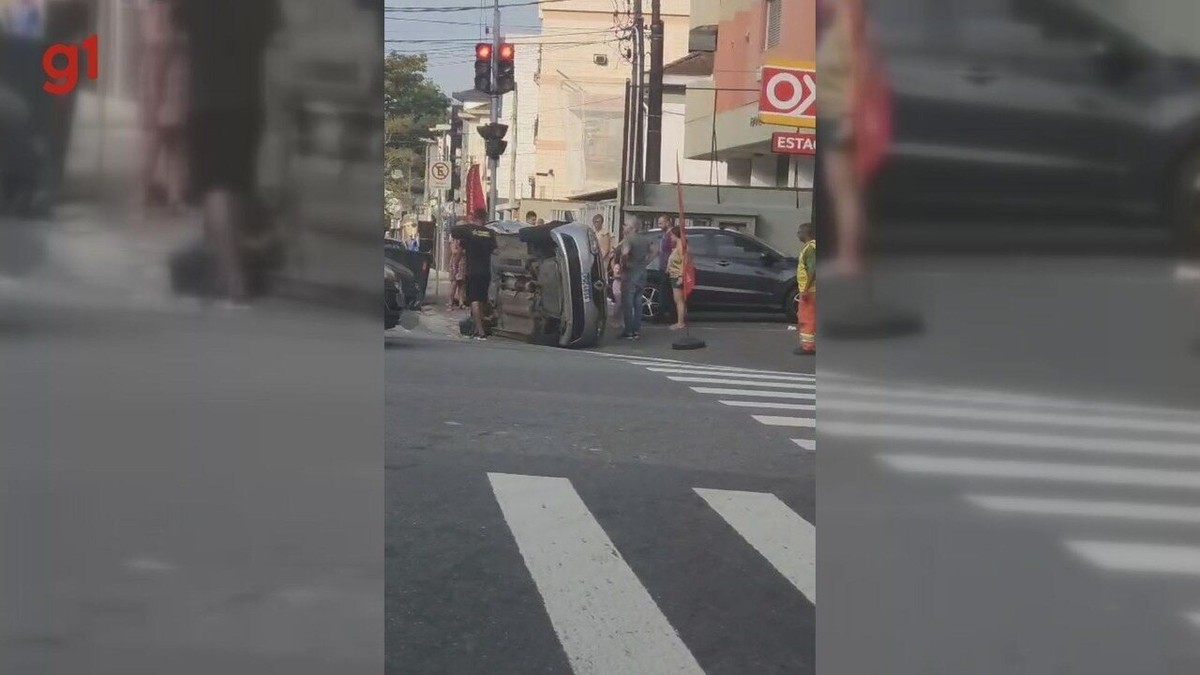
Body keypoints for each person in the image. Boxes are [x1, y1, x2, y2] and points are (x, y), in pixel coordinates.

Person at [176, 0, 281, 306]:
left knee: (215, 188)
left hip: (207, 99)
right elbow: (272, 34)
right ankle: (224, 272)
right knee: (237, 186)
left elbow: (179, 31)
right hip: (248, 102)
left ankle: (232, 278)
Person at [817, 0, 864, 278]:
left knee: (845, 191)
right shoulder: (835, 24)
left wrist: (849, 116)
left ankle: (850, 258)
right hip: (830, 114)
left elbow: (856, 72)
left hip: (839, 116)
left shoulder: (847, 21)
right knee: (839, 191)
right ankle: (847, 255)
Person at [139, 0, 190, 213]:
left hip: (172, 81)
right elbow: (157, 45)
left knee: (173, 140)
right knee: (158, 139)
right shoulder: (158, 9)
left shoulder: (167, 9)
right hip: (162, 81)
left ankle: (173, 196)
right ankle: (146, 193)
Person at [451, 209, 497, 340]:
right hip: (486, 271)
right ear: (485, 218)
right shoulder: (490, 233)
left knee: (474, 300)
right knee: (482, 300)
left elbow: (459, 251)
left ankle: (481, 331)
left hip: (472, 270)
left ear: (474, 217)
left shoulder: (468, 232)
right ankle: (478, 328)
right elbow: (495, 250)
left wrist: (455, 267)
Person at [618, 216, 654, 340]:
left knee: (628, 303)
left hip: (630, 273)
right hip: (642, 272)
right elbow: (655, 250)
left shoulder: (628, 239)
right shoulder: (645, 239)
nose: (623, 227)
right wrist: (646, 262)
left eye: (625, 225)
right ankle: (637, 330)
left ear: (632, 227)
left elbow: (625, 254)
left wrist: (624, 264)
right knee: (638, 302)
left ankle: (628, 331)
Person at [795, 222, 816, 355]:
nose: (798, 234)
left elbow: (812, 270)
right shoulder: (811, 247)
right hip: (813, 289)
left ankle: (807, 347)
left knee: (807, 317)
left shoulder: (810, 248)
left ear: (806, 233)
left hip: (811, 290)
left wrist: (806, 289)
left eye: (799, 232)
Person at [666, 224, 688, 330]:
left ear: (676, 235)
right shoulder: (678, 246)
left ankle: (680, 322)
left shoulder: (680, 246)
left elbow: (684, 261)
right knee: (679, 300)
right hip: (673, 274)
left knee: (679, 300)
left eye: (672, 235)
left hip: (677, 275)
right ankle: (682, 320)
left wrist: (680, 276)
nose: (671, 237)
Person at [447, 237, 466, 309]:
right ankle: (450, 302)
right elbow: (453, 251)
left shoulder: (464, 240)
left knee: (462, 283)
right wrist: (462, 251)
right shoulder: (454, 240)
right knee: (454, 283)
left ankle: (461, 302)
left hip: (463, 263)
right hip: (455, 262)